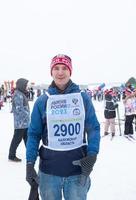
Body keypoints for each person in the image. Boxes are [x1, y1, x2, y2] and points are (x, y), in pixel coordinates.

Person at [26, 54, 100, 200]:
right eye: (56, 68)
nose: (60, 72)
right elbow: (34, 134)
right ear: (51, 72)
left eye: (64, 68)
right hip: (49, 173)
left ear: (70, 71)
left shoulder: (83, 98)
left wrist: (92, 154)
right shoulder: (42, 101)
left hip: (77, 171)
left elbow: (93, 128)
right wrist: (29, 163)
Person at [8, 78, 30, 162]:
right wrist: (27, 115)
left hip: (25, 122)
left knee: (27, 138)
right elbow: (19, 109)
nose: (27, 87)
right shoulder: (18, 95)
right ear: (21, 85)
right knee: (17, 139)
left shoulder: (21, 93)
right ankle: (11, 155)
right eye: (25, 85)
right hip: (20, 123)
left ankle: (31, 152)